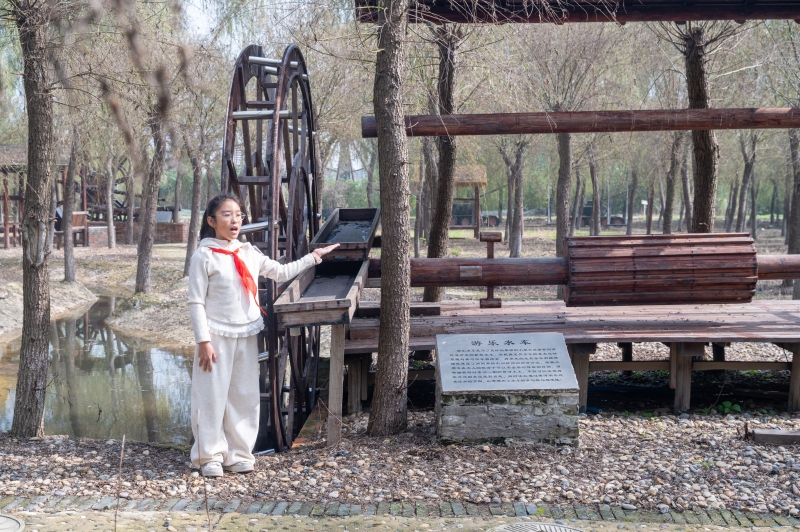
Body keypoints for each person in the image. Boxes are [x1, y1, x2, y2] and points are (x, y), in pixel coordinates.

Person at [187, 194, 338, 477]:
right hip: (215, 336)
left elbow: (281, 272)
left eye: (238, 215)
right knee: (211, 396)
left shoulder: (248, 252)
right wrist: (203, 341)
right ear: (212, 221)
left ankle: (239, 454)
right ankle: (209, 456)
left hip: (246, 332)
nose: (235, 220)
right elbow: (195, 301)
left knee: (243, 394)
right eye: (227, 215)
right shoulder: (203, 256)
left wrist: (313, 257)